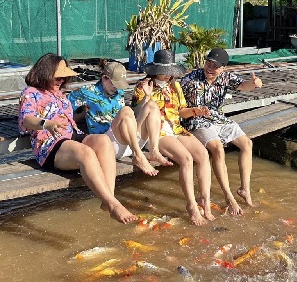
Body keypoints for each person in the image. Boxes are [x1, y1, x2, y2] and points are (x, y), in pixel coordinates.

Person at [18, 53, 137, 224]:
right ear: (45, 72)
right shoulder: (31, 93)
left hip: (72, 135)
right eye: (58, 77)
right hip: (50, 143)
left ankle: (108, 198)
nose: (61, 81)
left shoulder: (60, 94)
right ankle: (113, 204)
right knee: (86, 153)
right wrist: (47, 124)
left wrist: (82, 115)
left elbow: (68, 119)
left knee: (103, 141)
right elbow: (26, 119)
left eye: (63, 78)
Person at [131, 49, 215, 226]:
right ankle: (191, 206)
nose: (168, 75)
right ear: (155, 70)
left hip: (176, 128)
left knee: (203, 155)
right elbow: (139, 114)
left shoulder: (175, 86)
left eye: (171, 72)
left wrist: (195, 111)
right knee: (186, 159)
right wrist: (147, 96)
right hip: (156, 133)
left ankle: (205, 201)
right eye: (165, 72)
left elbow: (181, 112)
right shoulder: (143, 85)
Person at [180, 47, 263, 215]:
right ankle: (228, 196)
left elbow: (243, 85)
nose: (210, 68)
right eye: (208, 63)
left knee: (247, 144)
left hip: (218, 118)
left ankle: (244, 189)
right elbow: (178, 105)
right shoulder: (190, 80)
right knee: (218, 148)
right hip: (196, 119)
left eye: (215, 66)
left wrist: (254, 84)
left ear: (223, 68)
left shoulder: (226, 77)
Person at [68, 60, 172, 175]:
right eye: (114, 83)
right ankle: (138, 156)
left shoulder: (119, 92)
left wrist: (146, 97)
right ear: (104, 78)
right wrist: (81, 116)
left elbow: (134, 116)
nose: (116, 88)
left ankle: (154, 151)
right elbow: (63, 110)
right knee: (126, 110)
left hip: (129, 142)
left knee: (151, 105)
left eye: (119, 84)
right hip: (108, 146)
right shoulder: (86, 92)